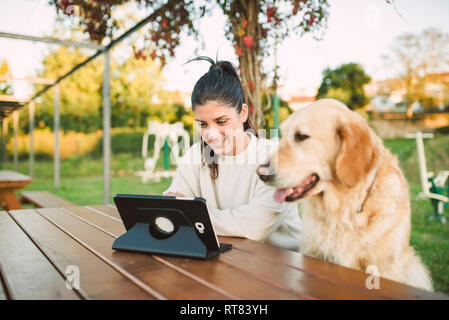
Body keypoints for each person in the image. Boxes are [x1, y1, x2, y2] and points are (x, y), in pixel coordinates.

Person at [163, 56, 302, 251]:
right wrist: (183, 213)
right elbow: (169, 213)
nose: (211, 135)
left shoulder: (274, 156)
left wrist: (194, 216)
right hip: (225, 261)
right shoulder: (197, 156)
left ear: (243, 113)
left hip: (281, 267)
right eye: (203, 124)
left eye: (221, 122)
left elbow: (256, 227)